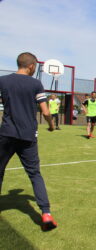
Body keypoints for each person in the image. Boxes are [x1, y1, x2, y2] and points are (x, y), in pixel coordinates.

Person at [0, 52, 57, 230]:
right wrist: (51, 125)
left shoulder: (3, 81)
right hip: (28, 137)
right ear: (31, 66)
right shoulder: (35, 84)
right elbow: (46, 112)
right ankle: (46, 214)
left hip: (6, 134)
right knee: (34, 174)